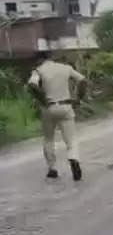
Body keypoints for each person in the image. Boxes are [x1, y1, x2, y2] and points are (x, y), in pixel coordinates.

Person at [26, 51, 87, 181]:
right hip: (66, 106)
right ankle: (73, 158)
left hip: (49, 108)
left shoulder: (38, 70)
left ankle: (52, 168)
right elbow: (82, 80)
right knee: (71, 139)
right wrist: (78, 98)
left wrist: (42, 99)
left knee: (48, 139)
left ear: (40, 59)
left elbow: (32, 85)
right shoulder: (65, 68)